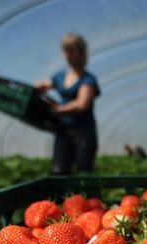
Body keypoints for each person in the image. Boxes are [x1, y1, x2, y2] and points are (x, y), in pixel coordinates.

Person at [35, 33, 100, 174]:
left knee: (84, 171)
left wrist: (60, 110)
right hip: (63, 131)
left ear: (81, 53)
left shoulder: (87, 79)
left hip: (83, 132)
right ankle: (62, 196)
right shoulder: (60, 76)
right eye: (66, 51)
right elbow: (44, 85)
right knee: (59, 170)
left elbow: (82, 104)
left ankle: (86, 196)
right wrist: (34, 89)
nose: (68, 55)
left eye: (72, 51)